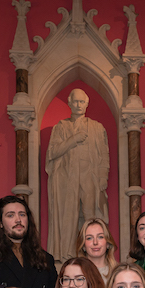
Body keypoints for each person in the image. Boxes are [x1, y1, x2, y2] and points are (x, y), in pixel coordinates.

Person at [46, 88, 110, 262]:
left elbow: (104, 155)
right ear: (69, 103)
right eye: (75, 101)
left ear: (87, 104)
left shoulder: (97, 127)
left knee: (91, 216)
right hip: (67, 178)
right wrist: (73, 140)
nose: (78, 105)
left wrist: (103, 175)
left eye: (82, 102)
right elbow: (52, 152)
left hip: (90, 177)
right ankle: (68, 255)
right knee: (69, 217)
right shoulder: (61, 127)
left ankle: (93, 255)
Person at [76, 217, 118, 282]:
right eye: (89, 238)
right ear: (83, 245)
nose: (95, 242)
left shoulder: (118, 273)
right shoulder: (74, 272)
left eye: (100, 237)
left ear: (108, 243)